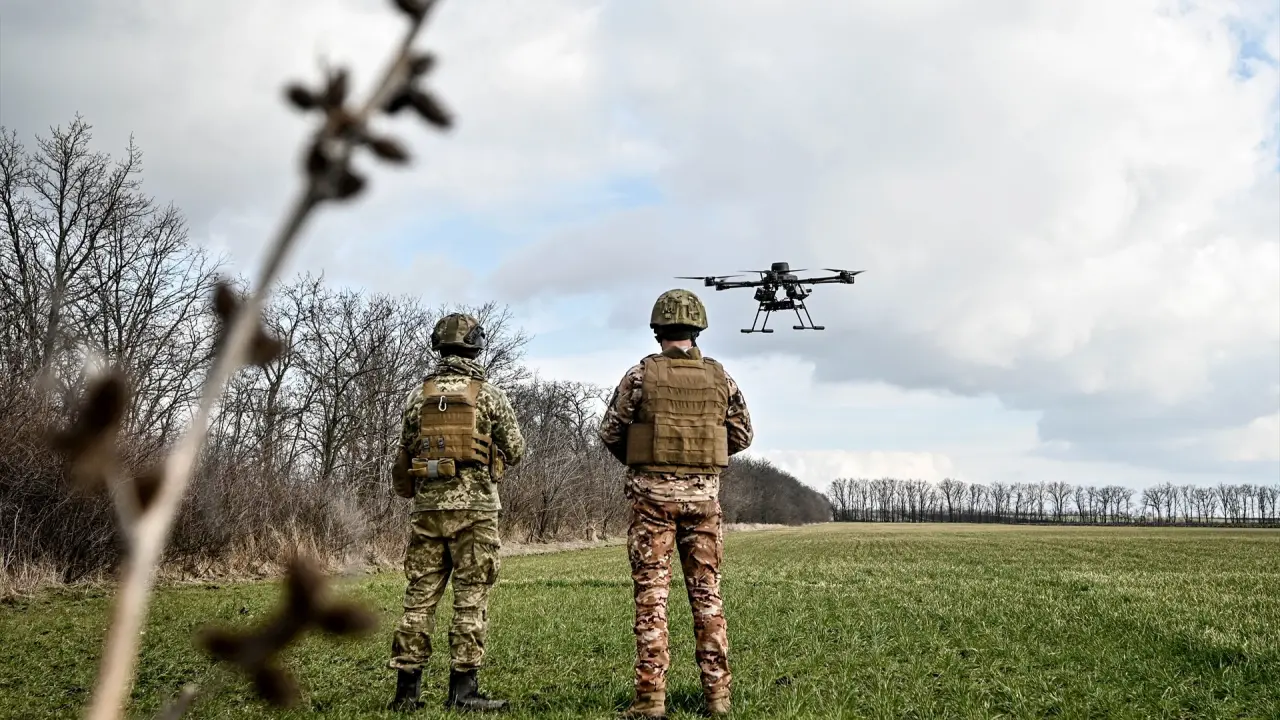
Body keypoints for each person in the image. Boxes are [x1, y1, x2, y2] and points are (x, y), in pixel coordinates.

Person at [597, 289, 754, 718]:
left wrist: (645, 462)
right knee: (707, 596)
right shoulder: (722, 378)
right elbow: (742, 436)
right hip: (703, 503)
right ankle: (718, 698)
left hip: (652, 504)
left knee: (652, 599)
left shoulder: (639, 376)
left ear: (657, 331)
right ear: (698, 330)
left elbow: (611, 432)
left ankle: (650, 700)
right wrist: (702, 462)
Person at [387, 312, 525, 713]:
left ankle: (405, 694)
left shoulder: (417, 396)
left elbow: (405, 451)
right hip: (476, 511)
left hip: (428, 509)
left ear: (439, 346)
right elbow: (516, 450)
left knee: (418, 599)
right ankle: (463, 692)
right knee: (470, 599)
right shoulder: (489, 395)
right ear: (476, 346)